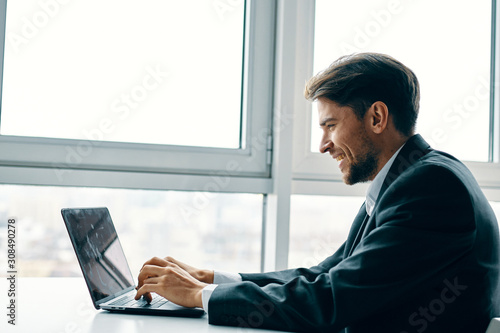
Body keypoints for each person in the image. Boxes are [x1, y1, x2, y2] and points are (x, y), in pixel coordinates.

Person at [135, 53, 500, 332]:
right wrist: (212, 278)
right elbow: (327, 274)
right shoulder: (409, 178)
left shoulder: (430, 188)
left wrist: (199, 296)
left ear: (376, 118)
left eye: (330, 125)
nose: (323, 145)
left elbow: (331, 299)